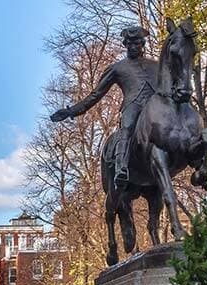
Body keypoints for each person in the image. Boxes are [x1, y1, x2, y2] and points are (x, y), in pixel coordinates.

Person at [50, 26, 157, 188]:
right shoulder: (117, 68)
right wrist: (71, 111)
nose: (133, 47)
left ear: (142, 44)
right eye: (129, 44)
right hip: (133, 105)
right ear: (125, 45)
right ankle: (121, 167)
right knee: (127, 127)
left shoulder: (156, 65)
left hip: (155, 106)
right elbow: (95, 94)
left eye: (137, 44)